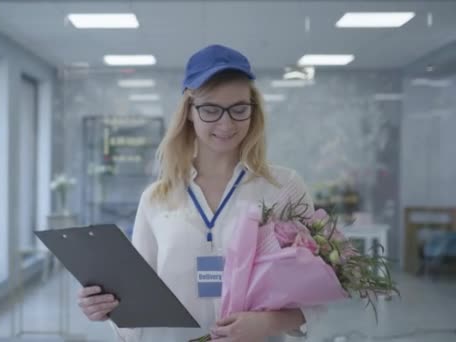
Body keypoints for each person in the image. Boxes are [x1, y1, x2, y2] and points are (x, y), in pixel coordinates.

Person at [77, 44, 325, 342]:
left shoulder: (284, 187)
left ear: (253, 111)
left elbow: (319, 295)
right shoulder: (156, 198)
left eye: (239, 109)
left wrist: (269, 323)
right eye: (210, 109)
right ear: (189, 112)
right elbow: (134, 296)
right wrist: (106, 306)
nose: (226, 123)